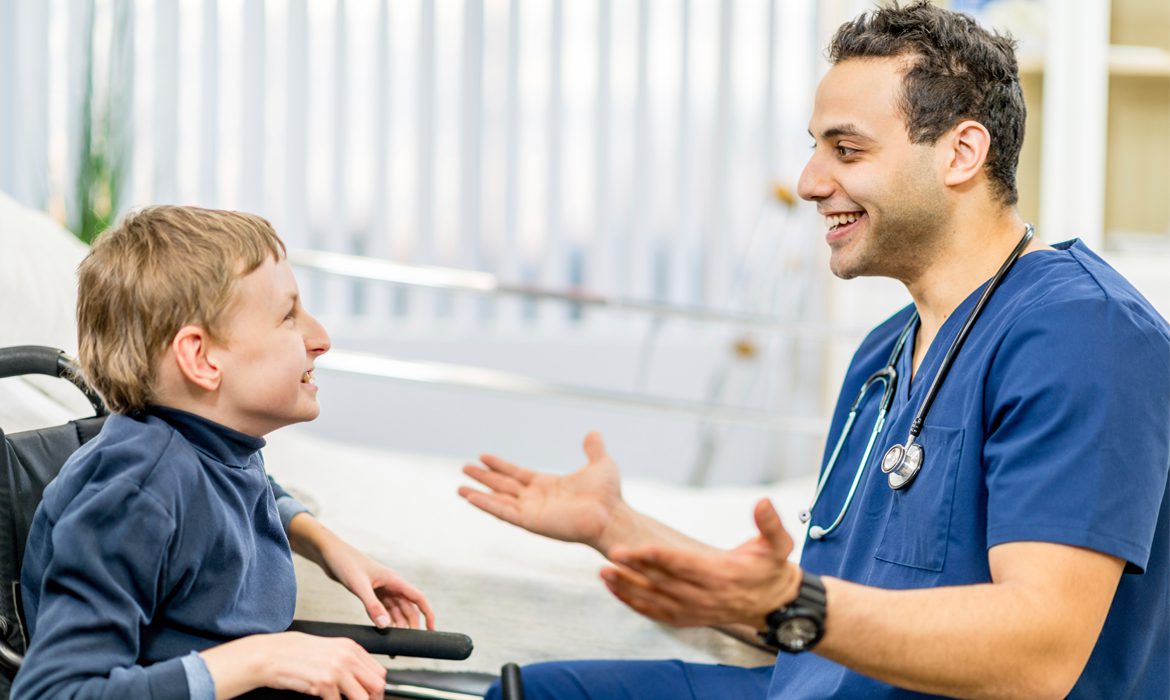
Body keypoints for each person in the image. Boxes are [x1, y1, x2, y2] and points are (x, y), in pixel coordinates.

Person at [458, 3, 1170, 698]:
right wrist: (618, 528)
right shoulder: (881, 359)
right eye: (815, 147)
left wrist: (794, 604)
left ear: (961, 153)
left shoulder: (1086, 336)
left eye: (847, 149)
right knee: (536, 692)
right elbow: (812, 617)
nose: (809, 183)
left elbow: (1039, 656)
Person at [14, 206, 435, 699]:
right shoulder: (134, 494)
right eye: (288, 318)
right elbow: (52, 692)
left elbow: (244, 484)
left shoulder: (208, 439)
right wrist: (263, 656)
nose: (320, 340)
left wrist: (326, 547)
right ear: (201, 358)